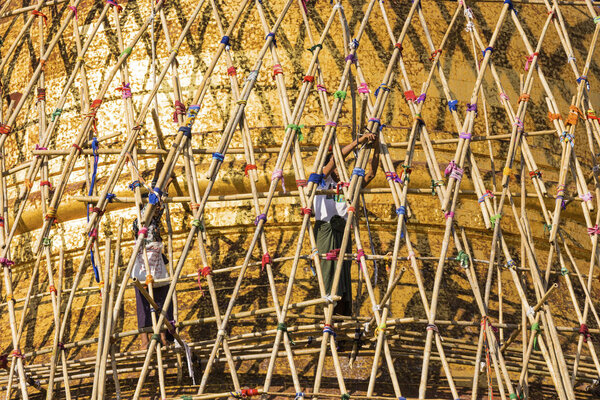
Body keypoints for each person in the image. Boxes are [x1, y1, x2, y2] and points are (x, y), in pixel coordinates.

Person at [314, 132, 380, 316]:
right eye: (336, 167)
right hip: (325, 232)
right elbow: (336, 158)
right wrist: (359, 141)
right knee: (327, 276)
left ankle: (342, 319)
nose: (337, 171)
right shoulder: (320, 181)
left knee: (343, 279)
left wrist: (375, 147)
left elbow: (372, 173)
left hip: (343, 233)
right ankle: (328, 317)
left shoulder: (348, 187)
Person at [131, 160, 175, 349]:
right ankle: (155, 339)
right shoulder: (147, 215)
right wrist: (162, 178)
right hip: (147, 263)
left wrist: (165, 180)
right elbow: (157, 199)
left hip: (147, 263)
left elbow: (158, 199)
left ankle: (151, 339)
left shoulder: (140, 218)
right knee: (157, 299)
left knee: (151, 300)